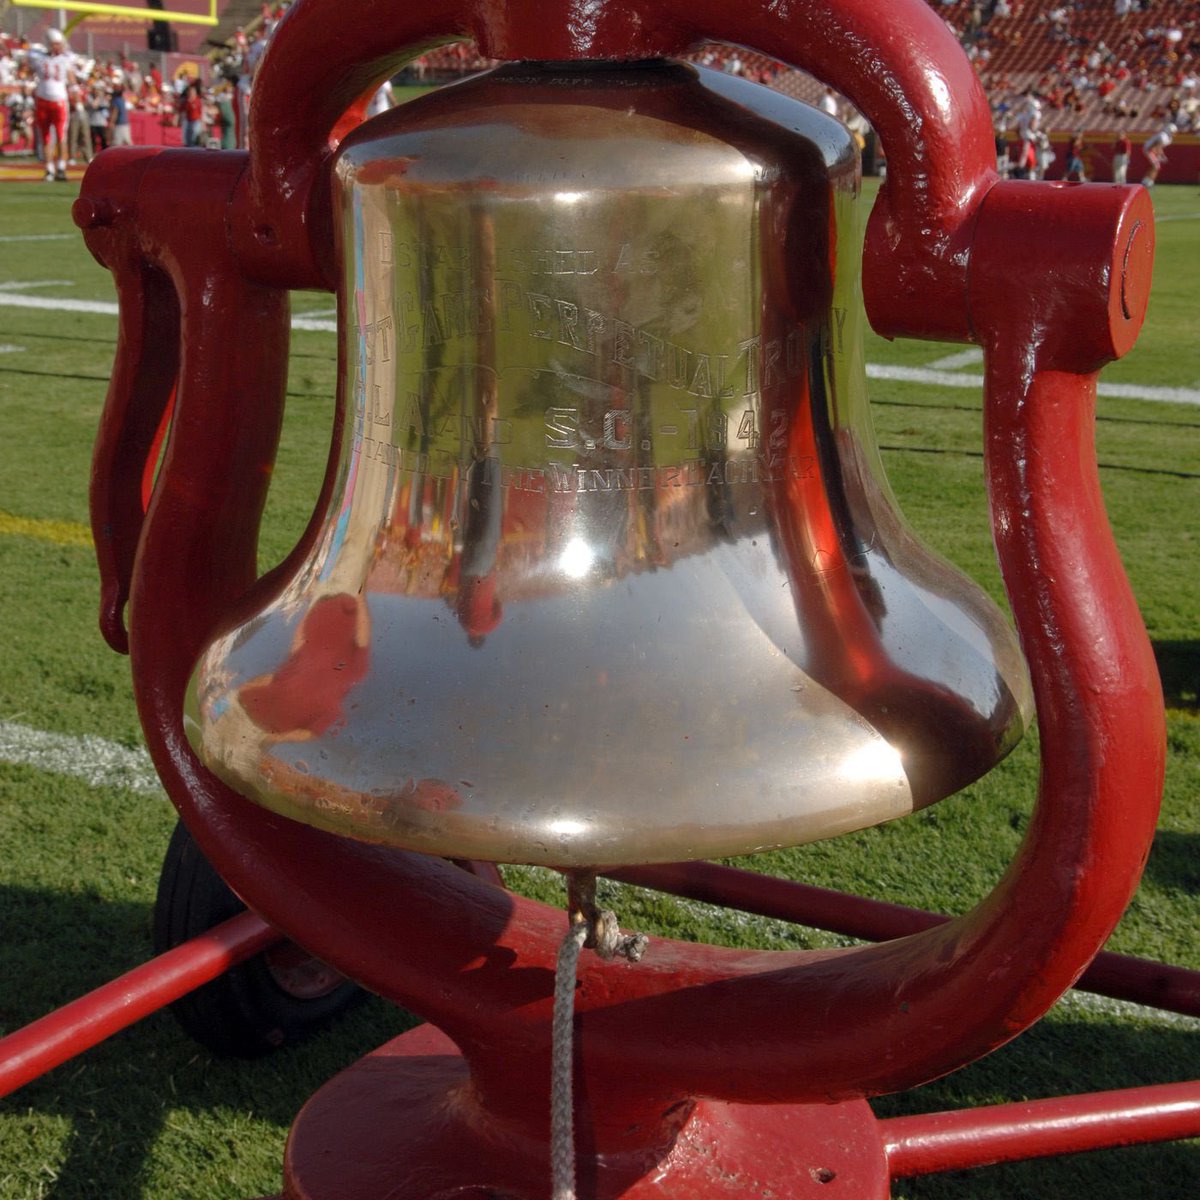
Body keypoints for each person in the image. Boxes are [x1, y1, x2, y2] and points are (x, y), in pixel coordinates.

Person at [29, 28, 73, 181]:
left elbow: (71, 77)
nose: (58, 47)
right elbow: (28, 70)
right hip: (42, 100)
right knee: (45, 136)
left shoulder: (66, 58)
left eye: (59, 44)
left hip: (60, 101)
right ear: (48, 44)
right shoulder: (37, 56)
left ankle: (61, 167)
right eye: (55, 44)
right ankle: (49, 169)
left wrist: (75, 94)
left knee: (61, 135)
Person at [1141, 122, 1174, 187]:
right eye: (1172, 132)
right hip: (1149, 150)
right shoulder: (1163, 136)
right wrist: (1160, 155)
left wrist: (1161, 155)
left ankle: (1147, 181)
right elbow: (1156, 147)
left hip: (1152, 151)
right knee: (1156, 166)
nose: (1174, 133)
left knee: (1156, 166)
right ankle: (1147, 182)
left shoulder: (1168, 138)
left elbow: (1159, 148)